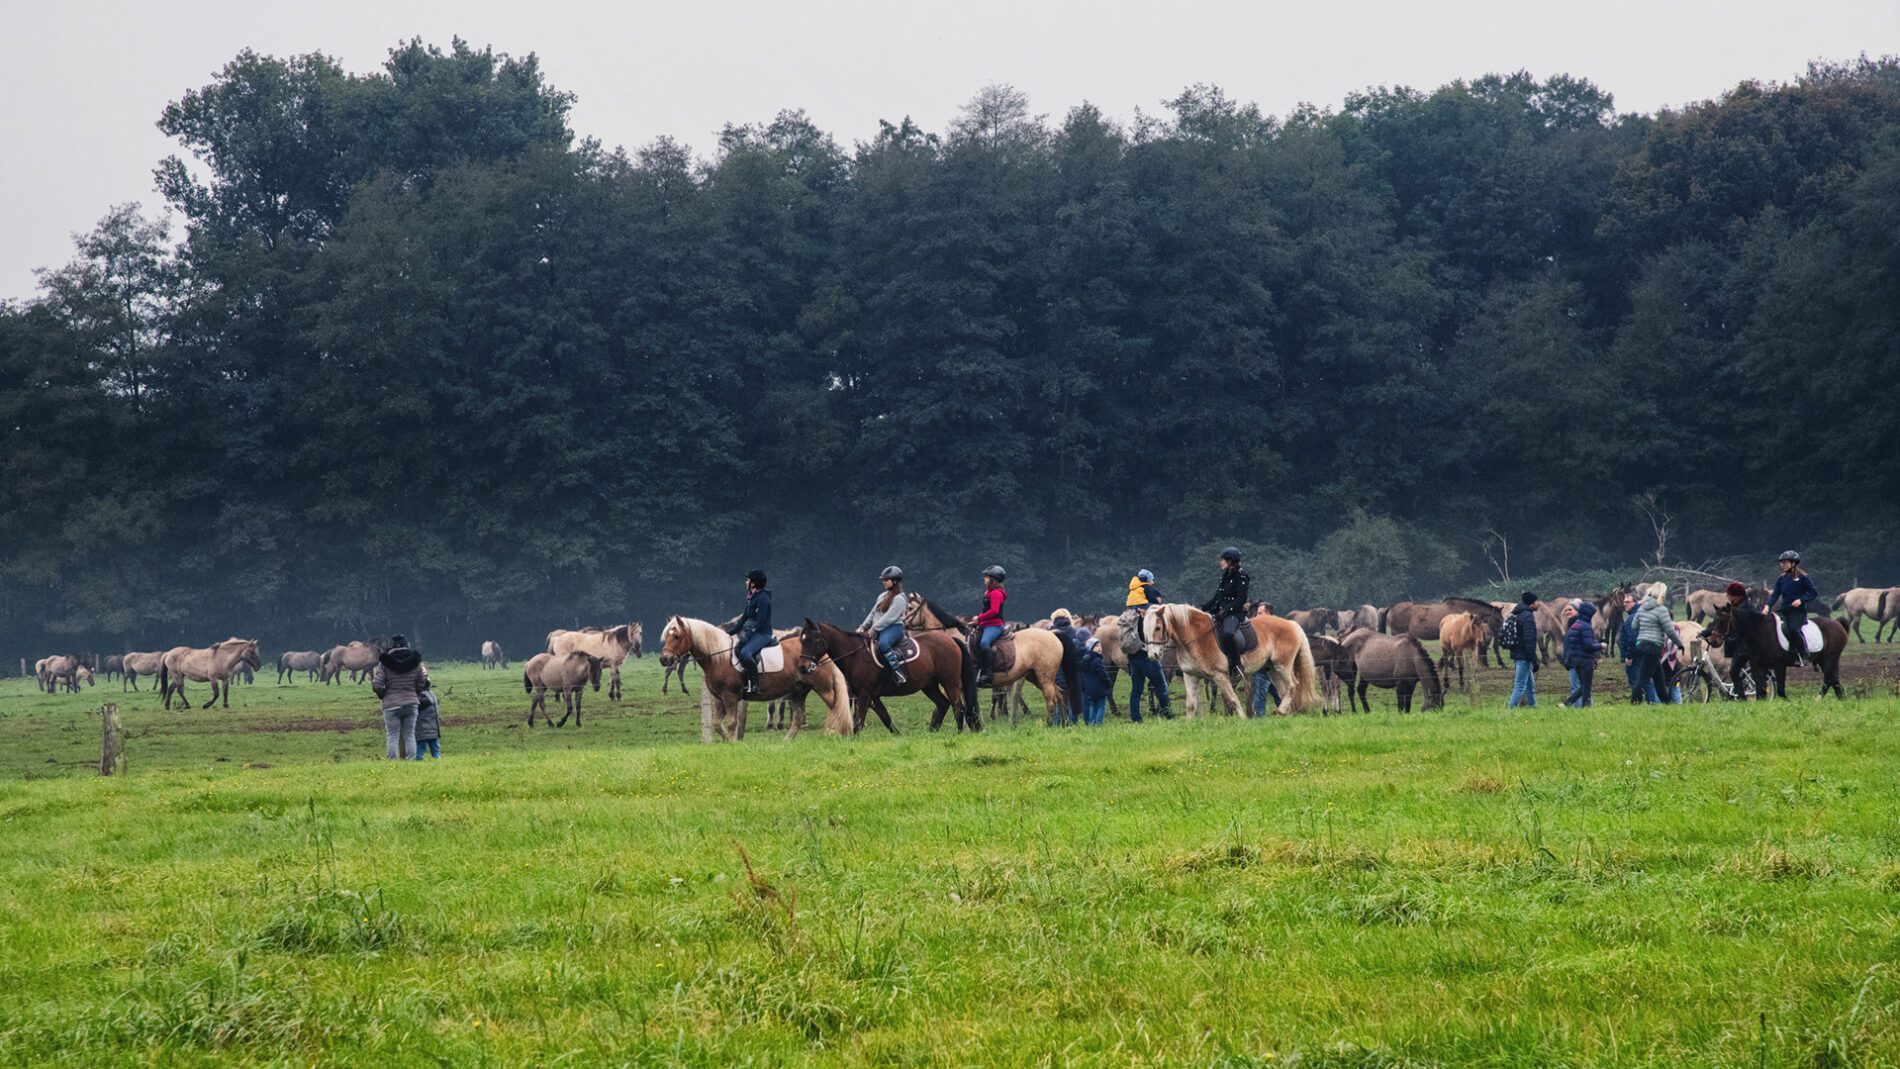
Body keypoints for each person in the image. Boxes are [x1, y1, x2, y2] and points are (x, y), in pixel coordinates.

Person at [1121, 570, 1172, 721]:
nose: (1153, 583)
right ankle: (1168, 714)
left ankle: (1136, 718)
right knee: (1161, 685)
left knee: (1136, 689)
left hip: (1132, 655)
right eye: (1152, 580)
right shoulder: (1149, 612)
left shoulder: (1131, 609)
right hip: (1145, 654)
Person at [370, 635, 430, 760]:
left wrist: (383, 694)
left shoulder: (384, 664)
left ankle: (393, 762)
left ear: (391, 646)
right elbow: (422, 681)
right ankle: (411, 760)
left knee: (392, 735)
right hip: (411, 702)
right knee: (410, 735)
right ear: (406, 645)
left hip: (391, 704)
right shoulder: (416, 662)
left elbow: (376, 684)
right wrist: (416, 692)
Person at [1201, 547, 1250, 678]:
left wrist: (1225, 612)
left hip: (1234, 613)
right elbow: (1217, 597)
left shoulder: (1241, 575)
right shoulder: (1225, 575)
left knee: (1228, 634)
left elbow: (1241, 599)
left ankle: (1237, 665)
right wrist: (1200, 609)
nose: (1220, 562)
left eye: (1222, 560)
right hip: (1220, 611)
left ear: (1230, 561)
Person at [1767, 550, 1820, 666]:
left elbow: (1813, 592)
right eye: (1782, 563)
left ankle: (1804, 654)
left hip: (1798, 612)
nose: (1783, 565)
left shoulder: (1803, 577)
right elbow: (1775, 594)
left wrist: (1801, 600)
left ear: (1794, 563)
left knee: (1794, 630)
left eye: (1785, 562)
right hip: (1785, 611)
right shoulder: (1781, 579)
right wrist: (1767, 606)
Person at [859, 565, 910, 685]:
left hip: (893, 627)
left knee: (883, 644)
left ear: (894, 581)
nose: (883, 582)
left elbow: (889, 618)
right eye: (883, 580)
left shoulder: (900, 599)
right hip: (878, 627)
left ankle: (898, 672)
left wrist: (873, 629)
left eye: (886, 580)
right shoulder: (882, 596)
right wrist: (863, 626)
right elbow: (873, 613)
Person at [725, 570, 773, 697]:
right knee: (737, 649)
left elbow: (761, 623)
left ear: (753, 583)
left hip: (763, 634)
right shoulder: (752, 597)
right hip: (752, 631)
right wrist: (730, 632)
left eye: (748, 580)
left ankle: (756, 684)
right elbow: (744, 618)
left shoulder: (763, 598)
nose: (745, 582)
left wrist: (748, 636)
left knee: (745, 653)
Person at [1629, 590, 1681, 703]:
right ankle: (1633, 702)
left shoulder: (1641, 608)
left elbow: (1634, 625)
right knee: (1643, 678)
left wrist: (1645, 630)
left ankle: (1666, 703)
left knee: (1659, 679)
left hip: (1641, 644)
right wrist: (1679, 644)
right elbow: (1670, 631)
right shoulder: (1661, 610)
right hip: (1654, 646)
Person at [1561, 600, 1604, 707]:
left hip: (1575, 660)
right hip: (1585, 660)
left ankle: (1568, 703)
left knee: (1584, 686)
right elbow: (1588, 645)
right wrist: (1601, 645)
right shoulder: (1585, 626)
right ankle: (1584, 707)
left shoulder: (1574, 625)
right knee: (1586, 687)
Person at [1617, 591, 1657, 703]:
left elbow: (1633, 640)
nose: (1625, 604)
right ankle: (1651, 703)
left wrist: (1629, 656)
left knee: (1637, 682)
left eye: (1628, 602)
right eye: (1624, 602)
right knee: (1647, 680)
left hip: (1636, 657)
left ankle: (1639, 704)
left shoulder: (1631, 619)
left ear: (1636, 602)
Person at [972, 565, 1009, 684]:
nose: (984, 578)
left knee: (984, 642)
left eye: (986, 576)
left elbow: (994, 611)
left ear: (992, 579)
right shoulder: (989, 592)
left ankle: (988, 674)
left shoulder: (996, 594)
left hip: (995, 625)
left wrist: (979, 618)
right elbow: (985, 611)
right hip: (986, 624)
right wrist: (977, 621)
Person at [1506, 592, 1540, 708]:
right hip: (1524, 656)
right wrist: (1534, 660)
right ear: (1532, 603)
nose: (1539, 603)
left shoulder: (1518, 614)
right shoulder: (1528, 617)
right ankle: (1511, 709)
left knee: (1530, 684)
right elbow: (1529, 640)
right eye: (1537, 601)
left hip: (1517, 654)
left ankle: (1533, 706)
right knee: (1520, 685)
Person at [1722, 581, 1756, 698]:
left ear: (1737, 596)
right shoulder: (1737, 607)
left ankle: (1741, 697)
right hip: (1741, 645)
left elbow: (1744, 630)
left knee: (1734, 672)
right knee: (1737, 671)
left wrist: (1731, 637)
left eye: (1729, 595)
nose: (1728, 597)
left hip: (1746, 646)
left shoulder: (1744, 610)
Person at [1075, 630, 1111, 726]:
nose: (1099, 648)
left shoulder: (1085, 661)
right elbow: (1103, 674)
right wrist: (1108, 683)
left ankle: (1091, 723)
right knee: (1101, 706)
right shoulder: (1097, 661)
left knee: (1092, 707)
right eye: (1096, 646)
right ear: (1090, 648)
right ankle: (1098, 723)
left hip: (1088, 689)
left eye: (1100, 646)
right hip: (1099, 689)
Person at [412, 686, 441, 759]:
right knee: (435, 748)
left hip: (422, 728)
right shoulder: (431, 694)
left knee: (420, 748)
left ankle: (418, 761)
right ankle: (437, 760)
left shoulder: (420, 696)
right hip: (434, 728)